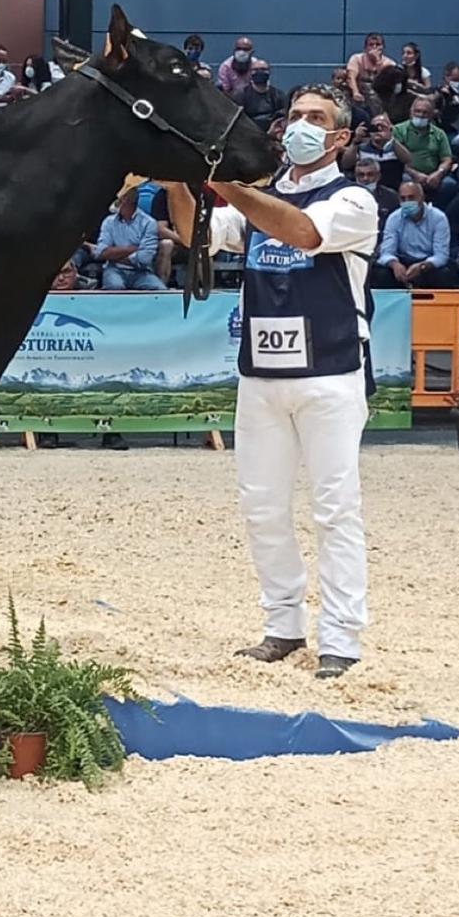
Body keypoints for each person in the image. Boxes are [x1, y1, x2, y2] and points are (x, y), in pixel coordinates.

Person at [164, 83, 379, 679]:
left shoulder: (354, 200)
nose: (301, 125)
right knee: (262, 507)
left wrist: (221, 181)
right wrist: (175, 178)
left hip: (331, 371)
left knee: (335, 508)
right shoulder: (262, 201)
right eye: (295, 115)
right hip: (261, 373)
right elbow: (196, 235)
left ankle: (340, 636)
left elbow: (303, 233)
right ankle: (282, 625)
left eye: (317, 118)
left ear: (340, 137)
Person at [372, 183, 454, 289]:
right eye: (403, 199)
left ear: (422, 197)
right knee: (381, 274)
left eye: (411, 198)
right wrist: (394, 264)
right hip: (402, 261)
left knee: (444, 274)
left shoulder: (439, 218)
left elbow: (441, 255)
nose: (407, 202)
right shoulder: (394, 218)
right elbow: (386, 252)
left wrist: (423, 266)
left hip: (427, 263)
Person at [390, 95, 456, 206]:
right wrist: (415, 174)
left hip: (434, 176)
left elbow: (447, 159)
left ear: (432, 115)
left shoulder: (439, 133)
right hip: (409, 174)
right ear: (411, 112)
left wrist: (438, 174)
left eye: (425, 112)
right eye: (417, 111)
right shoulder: (398, 130)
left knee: (450, 185)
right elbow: (396, 158)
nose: (421, 115)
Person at [94, 191, 167, 291]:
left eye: (119, 199)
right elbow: (101, 252)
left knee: (160, 290)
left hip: (141, 272)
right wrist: (133, 249)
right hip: (114, 269)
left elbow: (144, 259)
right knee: (115, 286)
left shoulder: (149, 223)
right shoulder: (108, 222)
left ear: (127, 200)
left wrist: (114, 255)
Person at [342, 113, 400, 188]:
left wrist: (391, 139)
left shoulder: (395, 146)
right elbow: (346, 164)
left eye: (383, 127)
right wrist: (356, 141)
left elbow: (408, 160)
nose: (379, 129)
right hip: (364, 186)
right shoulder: (361, 147)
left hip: (391, 187)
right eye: (375, 127)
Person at [346, 31, 391, 101]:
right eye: (371, 44)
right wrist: (355, 92)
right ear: (365, 47)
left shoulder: (389, 63)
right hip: (360, 95)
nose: (374, 47)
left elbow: (385, 82)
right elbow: (351, 77)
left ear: (383, 47)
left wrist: (378, 61)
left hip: (380, 98)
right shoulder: (356, 58)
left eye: (378, 44)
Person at [242, 61, 285, 131]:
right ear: (250, 73)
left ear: (269, 72)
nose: (259, 72)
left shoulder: (279, 95)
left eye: (263, 69)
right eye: (255, 70)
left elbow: (282, 119)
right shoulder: (241, 95)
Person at [436, 61, 459, 140]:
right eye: (455, 80)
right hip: (437, 132)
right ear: (446, 77)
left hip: (456, 133)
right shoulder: (435, 93)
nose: (457, 83)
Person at [216, 36, 256, 100]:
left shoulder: (256, 65)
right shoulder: (226, 66)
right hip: (231, 99)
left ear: (252, 52)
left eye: (245, 49)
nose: (241, 52)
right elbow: (225, 91)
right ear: (234, 50)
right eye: (239, 49)